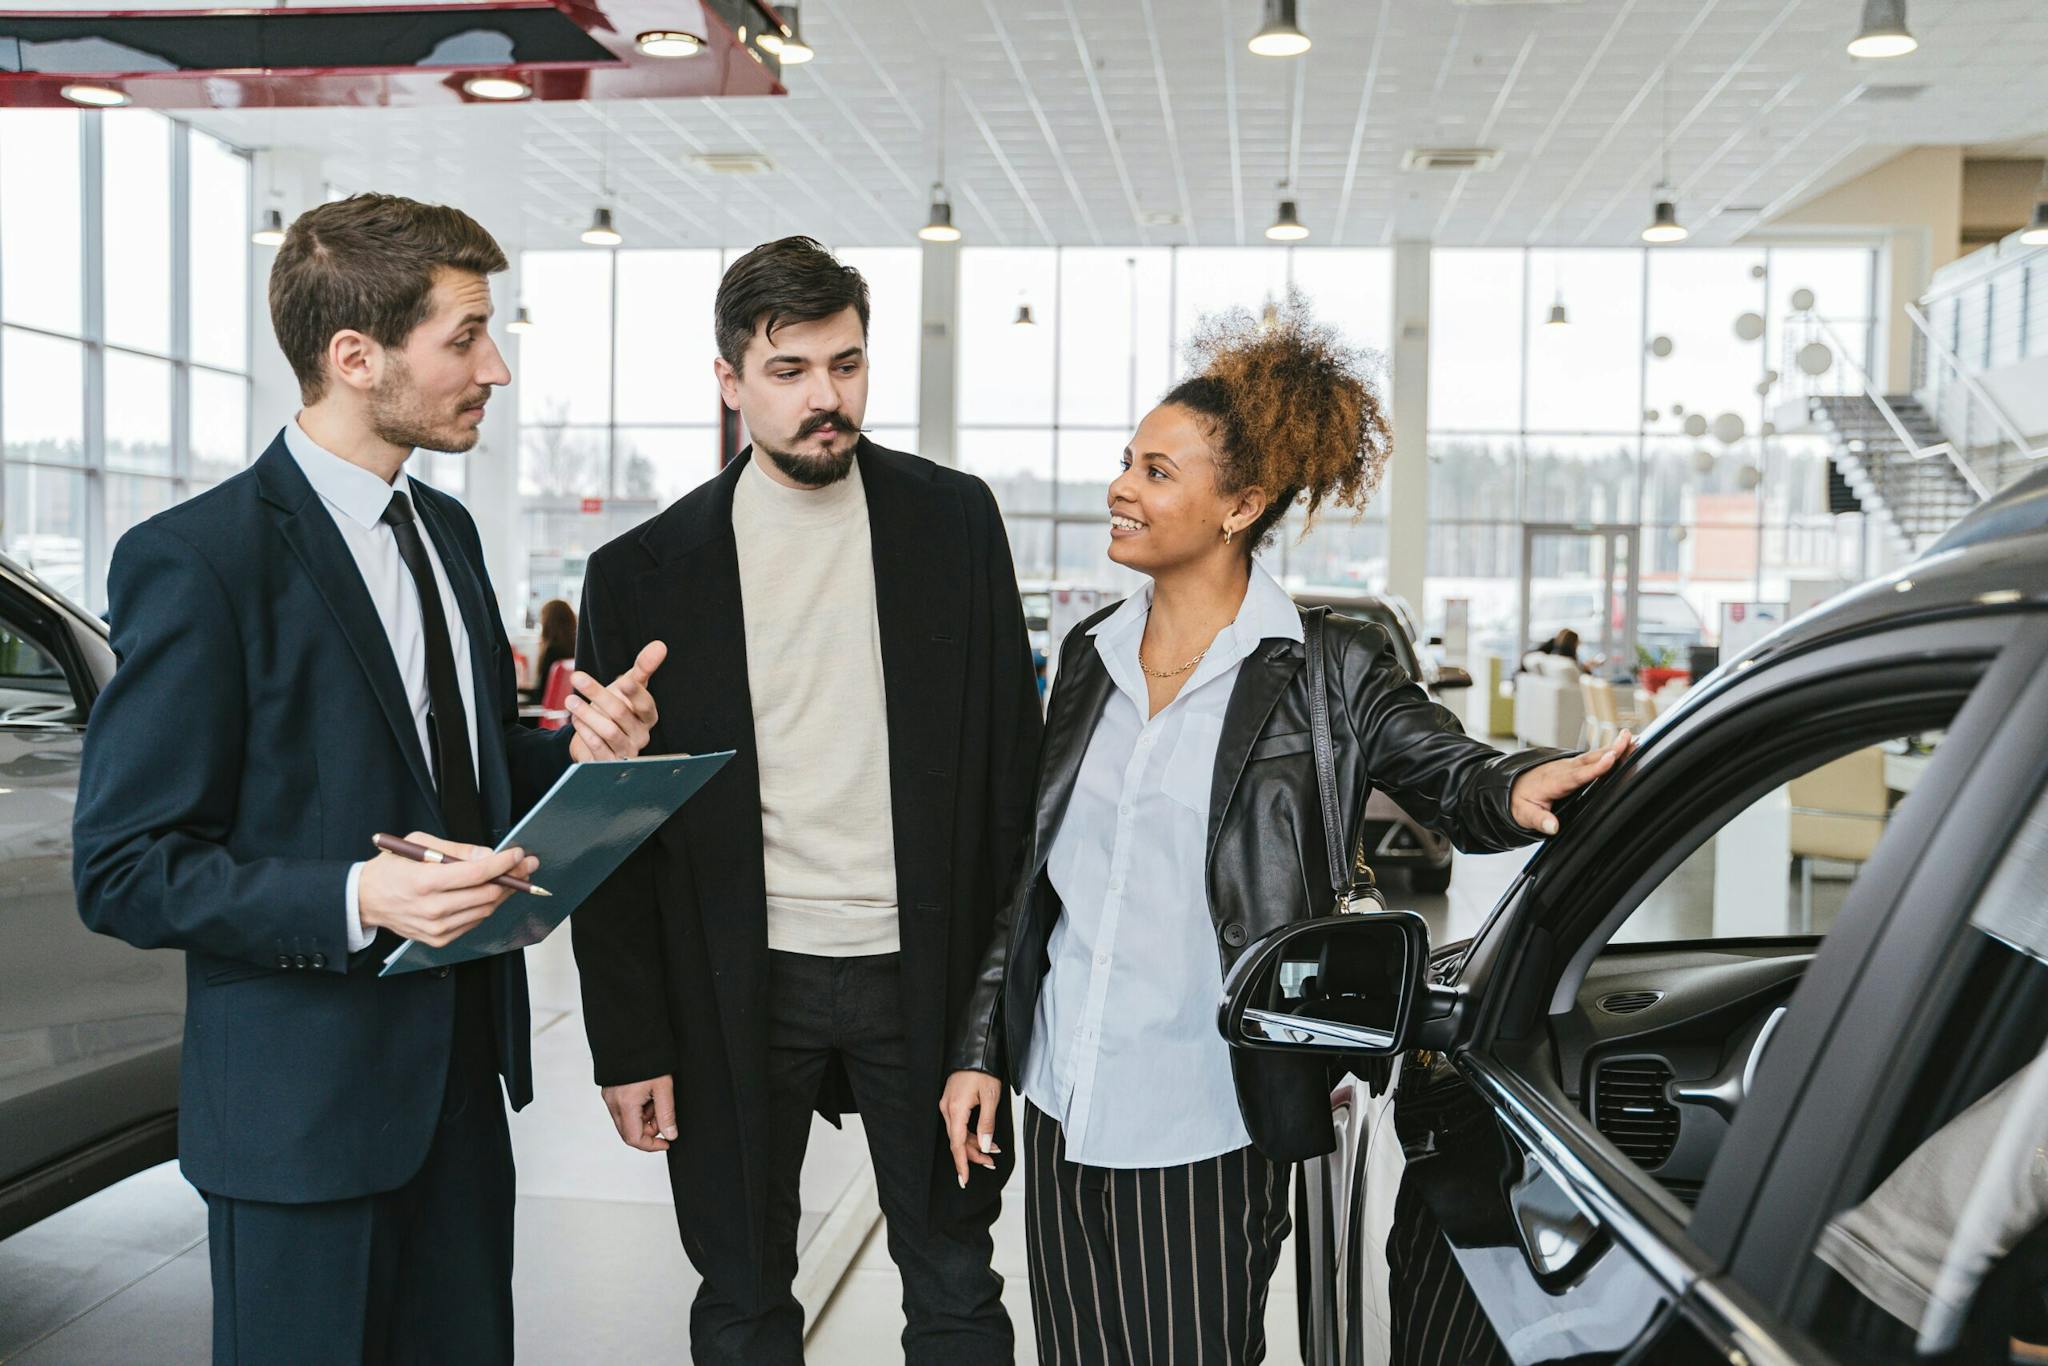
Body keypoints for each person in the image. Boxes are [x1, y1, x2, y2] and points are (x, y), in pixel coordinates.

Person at [940, 296, 1632, 1364]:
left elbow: (1443, 767)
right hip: (1065, 1094)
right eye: (1127, 460)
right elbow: (1034, 877)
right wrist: (982, 1045)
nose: (1120, 488)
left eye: (1157, 472)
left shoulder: (1325, 665)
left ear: (1240, 504)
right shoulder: (1088, 654)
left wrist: (1525, 783)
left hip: (1205, 1109)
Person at [71, 194, 665, 1365]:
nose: (494, 368)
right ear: (355, 357)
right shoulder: (199, 561)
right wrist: (356, 898)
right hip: (300, 1113)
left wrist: (581, 752)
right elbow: (125, 869)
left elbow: (461, 777)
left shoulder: (444, 536)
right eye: (464, 337)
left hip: (457, 1089)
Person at [570, 236, 1041, 1365]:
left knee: (952, 1275)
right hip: (736, 978)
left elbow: (1009, 787)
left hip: (914, 976)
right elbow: (613, 833)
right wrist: (626, 1043)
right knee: (738, 1289)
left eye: (846, 364)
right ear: (729, 381)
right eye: (788, 370)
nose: (825, 398)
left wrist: (995, 1022)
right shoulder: (639, 570)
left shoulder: (954, 523)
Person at [521, 596, 576, 703]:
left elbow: (541, 695)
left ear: (548, 622)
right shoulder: (572, 649)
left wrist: (516, 690)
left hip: (540, 713)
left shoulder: (552, 651)